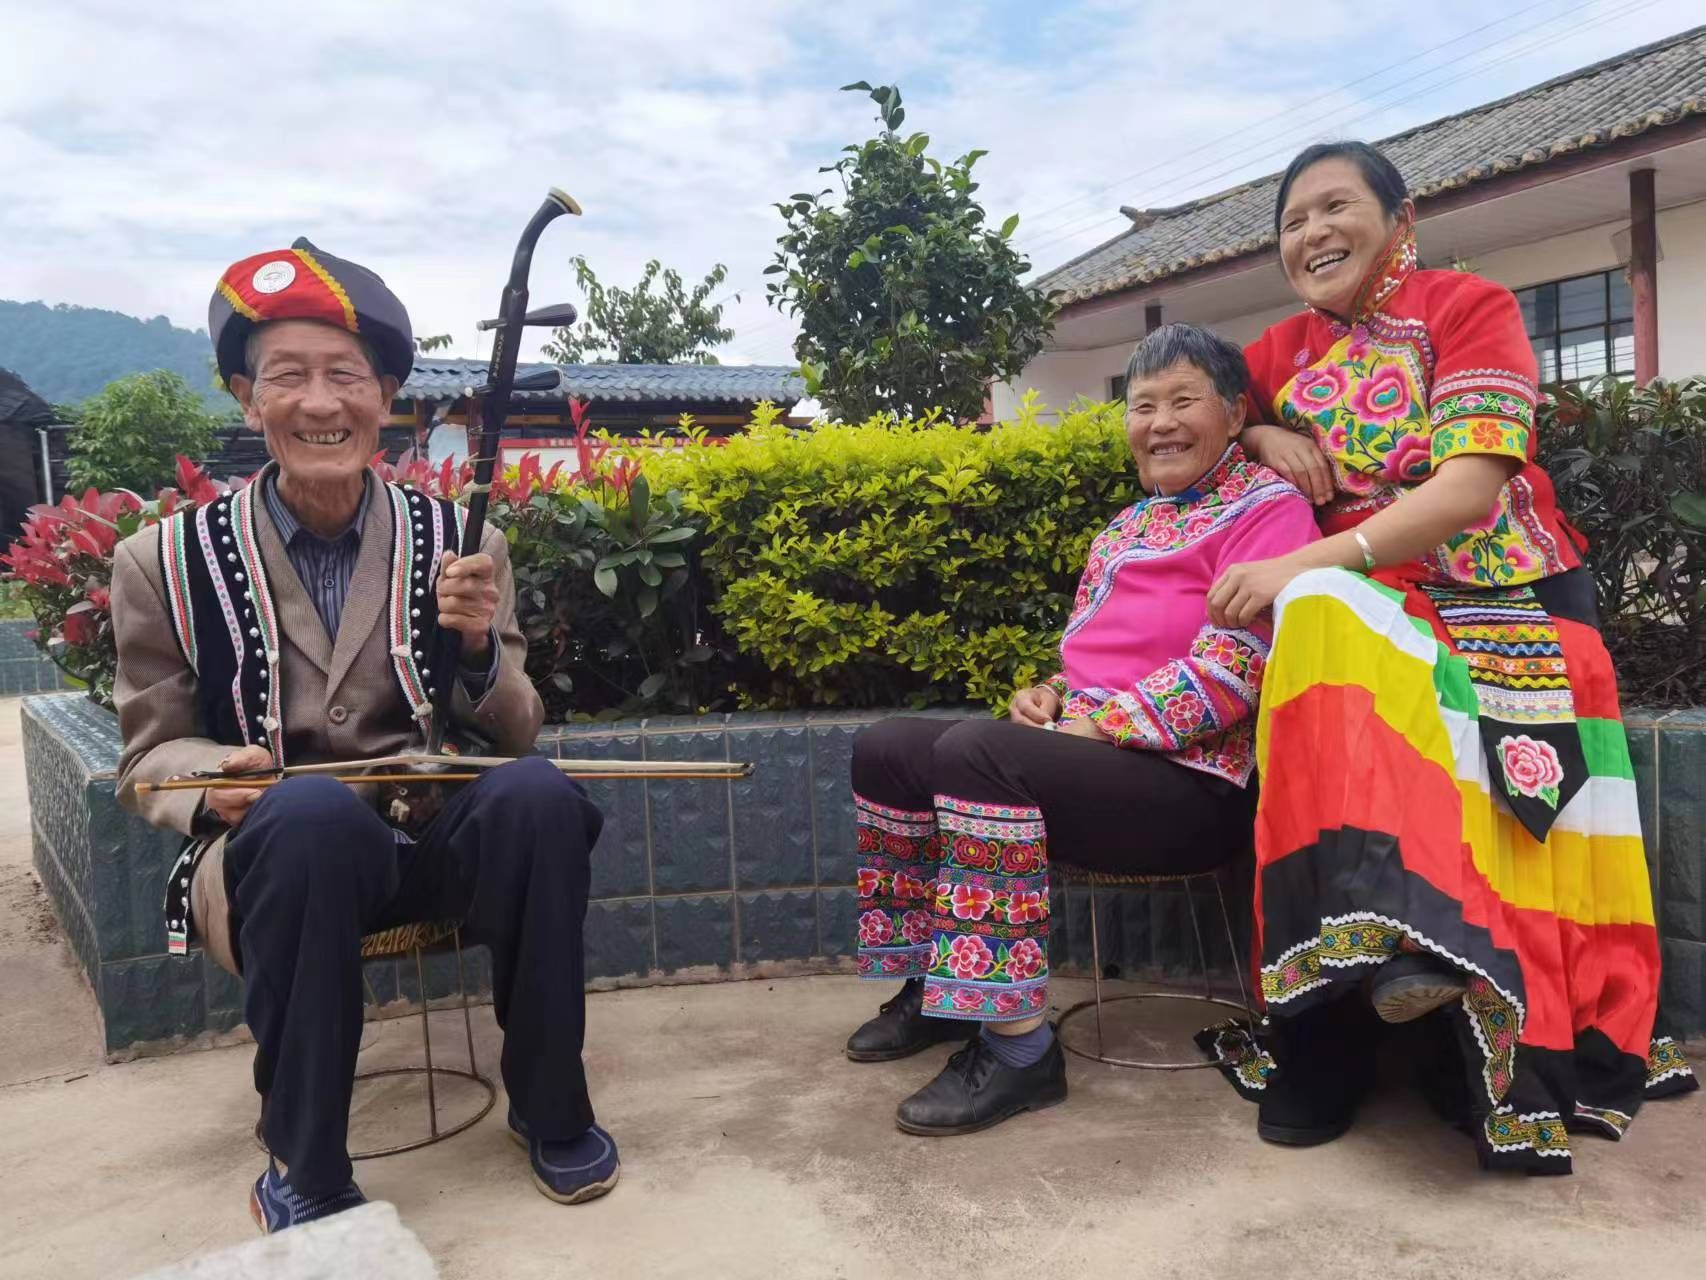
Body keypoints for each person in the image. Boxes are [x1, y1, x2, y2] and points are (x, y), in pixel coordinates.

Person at [1201, 140, 1697, 1173]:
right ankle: (1326, 1028)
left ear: (1401, 218)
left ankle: (1448, 1000)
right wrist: (1257, 438)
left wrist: (1302, 564)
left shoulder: (1466, 306)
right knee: (1318, 644)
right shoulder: (1277, 350)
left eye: (1335, 206)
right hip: (1363, 607)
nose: (1311, 233)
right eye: (1292, 220)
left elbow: (1470, 489)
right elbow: (1201, 416)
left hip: (1505, 588)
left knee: (1318, 616)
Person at [112, 240, 619, 1231]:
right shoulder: (160, 562)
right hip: (279, 858)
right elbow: (148, 756)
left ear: (385, 397)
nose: (320, 402)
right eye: (287, 376)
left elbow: (516, 732)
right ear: (246, 399)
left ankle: (552, 1106)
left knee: (539, 795)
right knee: (309, 817)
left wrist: (477, 649)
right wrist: (211, 776)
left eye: (346, 375)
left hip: (430, 843)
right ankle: (304, 1160)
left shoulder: (463, 543)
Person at [843, 323, 1320, 1135]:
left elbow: (1238, 669)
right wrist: (1049, 698)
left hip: (1195, 789)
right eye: (1142, 406)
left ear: (1236, 414)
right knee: (885, 747)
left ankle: (1020, 1050)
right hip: (1100, 761)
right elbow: (1090, 665)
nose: (1160, 423)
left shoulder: (1270, 513)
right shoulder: (1121, 531)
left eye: (1183, 401)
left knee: (977, 753)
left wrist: (1096, 727)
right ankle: (943, 989)